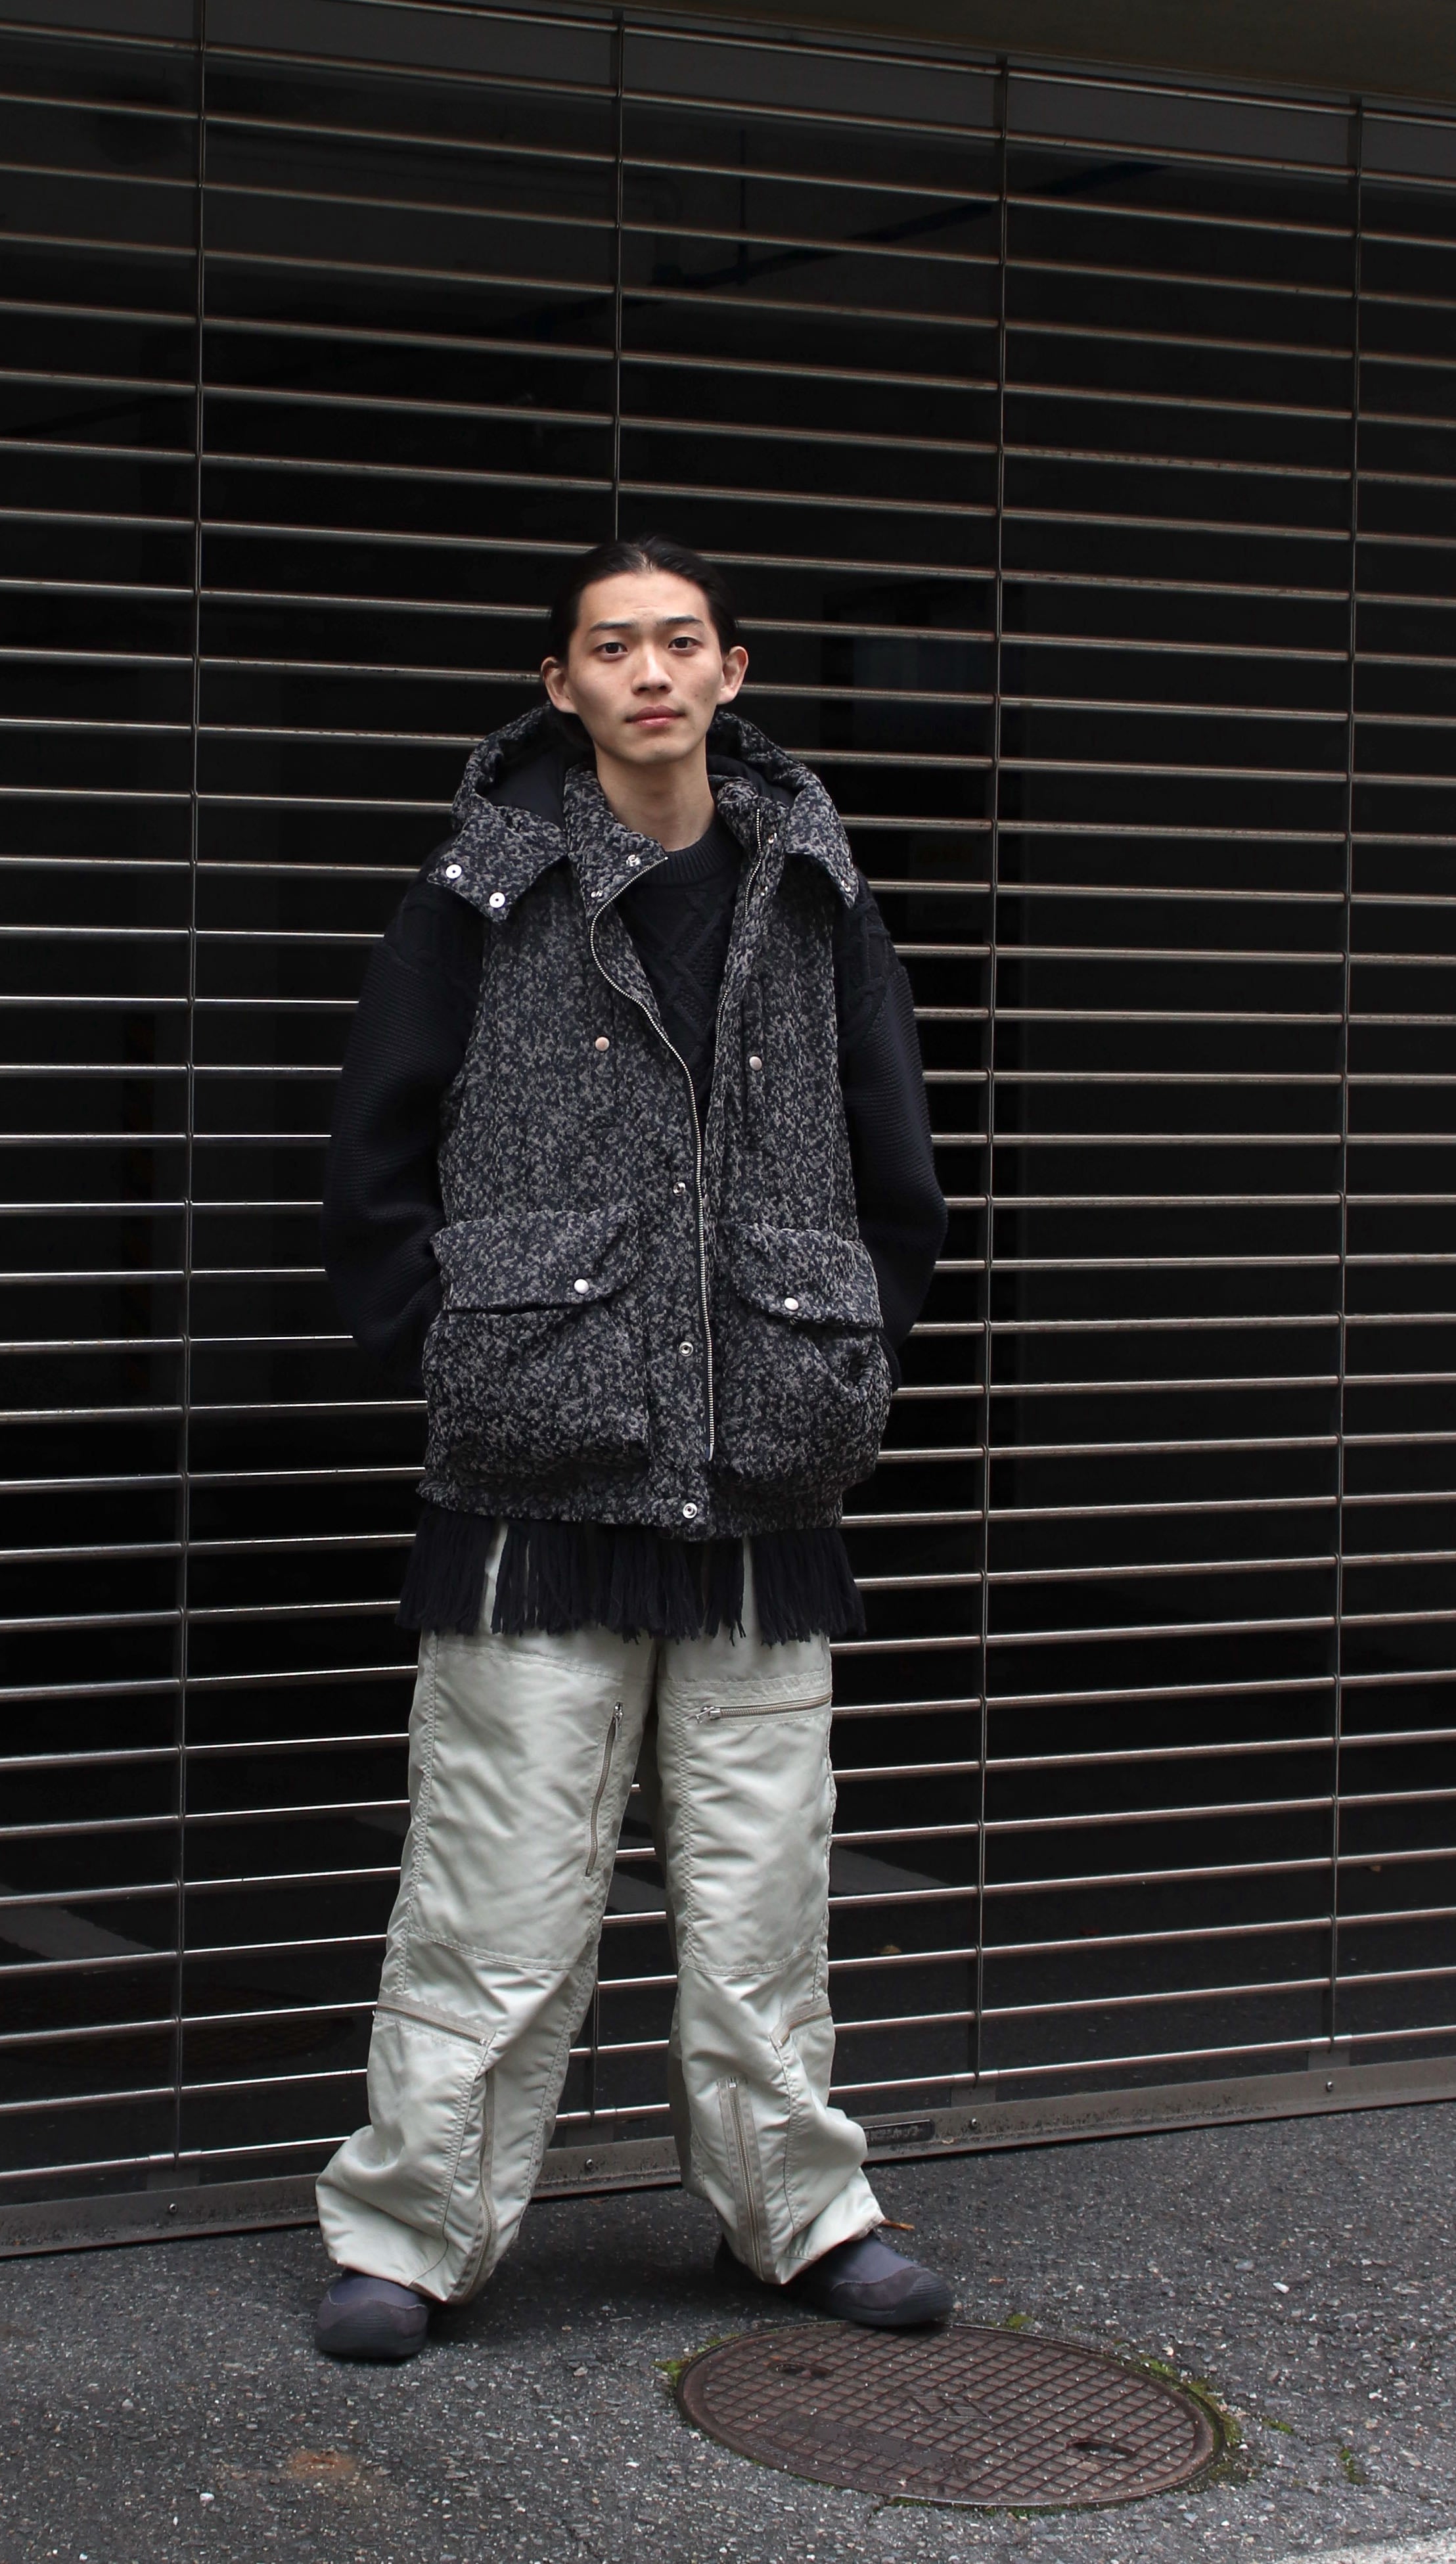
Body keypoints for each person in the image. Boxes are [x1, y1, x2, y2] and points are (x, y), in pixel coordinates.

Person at [313, 536, 951, 2360]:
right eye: (613, 647)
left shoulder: (813, 885)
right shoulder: (479, 886)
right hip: (537, 1463)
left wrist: (842, 1345)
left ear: (733, 671)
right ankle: (412, 2231)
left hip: (761, 1461)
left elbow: (892, 1145)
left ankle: (802, 2214)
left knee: (764, 1888)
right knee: (494, 1885)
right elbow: (375, 1142)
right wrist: (459, 1353)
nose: (650, 673)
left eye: (681, 642)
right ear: (563, 684)